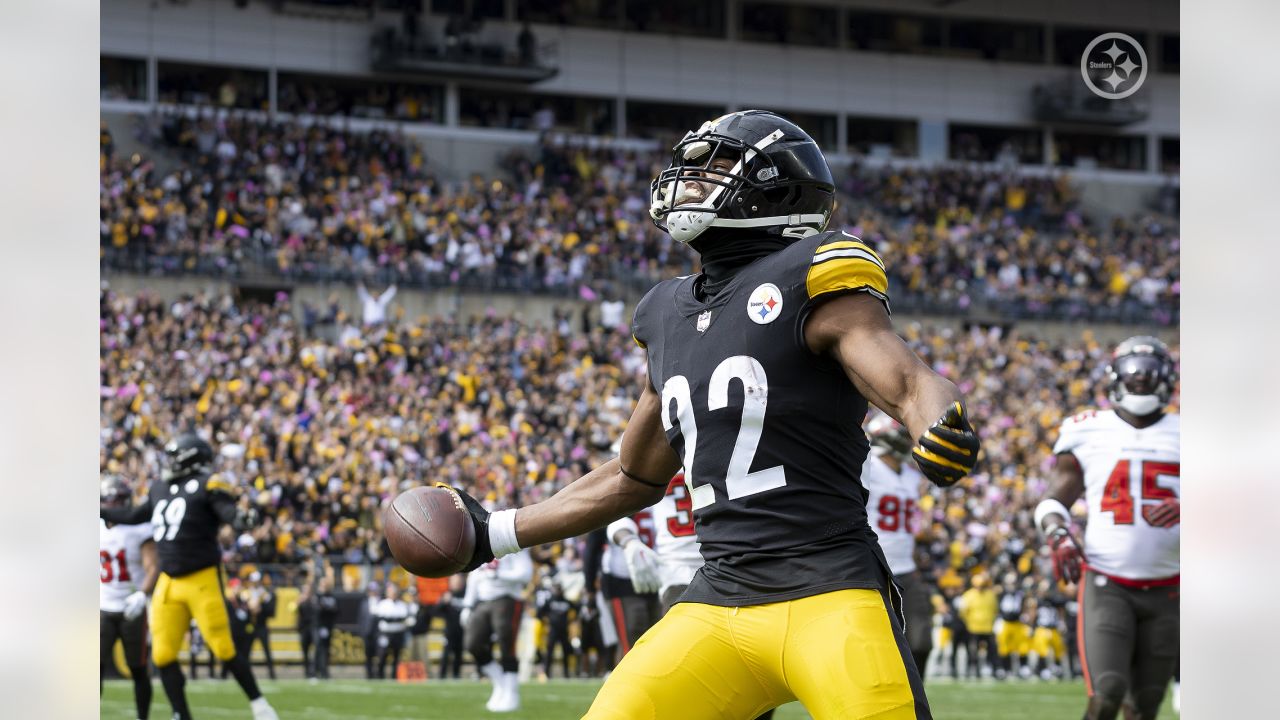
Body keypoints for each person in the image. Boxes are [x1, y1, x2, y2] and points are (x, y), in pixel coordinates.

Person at [434, 110, 979, 719]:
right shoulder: (665, 312)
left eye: (717, 165)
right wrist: (497, 532)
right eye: (692, 165)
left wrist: (937, 422)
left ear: (778, 188)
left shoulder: (816, 273)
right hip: (716, 599)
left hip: (829, 591)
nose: (692, 178)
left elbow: (910, 381)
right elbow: (631, 476)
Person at [1036, 336, 1180, 720]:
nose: (1141, 382)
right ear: (1116, 379)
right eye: (1135, 375)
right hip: (1108, 582)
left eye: (1150, 375)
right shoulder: (1088, 429)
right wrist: (1058, 532)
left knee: (1146, 702)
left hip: (1171, 586)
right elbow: (1054, 500)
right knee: (1107, 692)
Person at [100, 433, 279, 720]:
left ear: (187, 458)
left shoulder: (208, 484)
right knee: (163, 654)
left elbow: (228, 513)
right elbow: (135, 515)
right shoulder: (159, 488)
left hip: (202, 578)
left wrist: (243, 518)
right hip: (168, 582)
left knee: (223, 647)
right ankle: (180, 714)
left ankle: (259, 704)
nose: (168, 462)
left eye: (173, 456)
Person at [860, 412, 934, 682]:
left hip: (906, 568)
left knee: (920, 641)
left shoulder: (911, 477)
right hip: (873, 568)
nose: (907, 442)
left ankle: (914, 697)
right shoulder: (867, 467)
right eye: (902, 436)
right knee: (869, 646)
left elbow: (909, 528)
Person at [100, 474, 159, 720]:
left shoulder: (139, 528)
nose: (119, 506)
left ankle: (142, 717)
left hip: (131, 608)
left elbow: (153, 566)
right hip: (102, 607)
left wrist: (142, 595)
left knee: (138, 669)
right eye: (116, 500)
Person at [464, 549, 534, 712]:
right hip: (483, 600)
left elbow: (525, 573)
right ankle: (500, 681)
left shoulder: (513, 546)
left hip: (507, 597)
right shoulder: (482, 543)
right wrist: (468, 604)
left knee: (506, 643)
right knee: (473, 644)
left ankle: (511, 692)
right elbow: (474, 575)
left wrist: (500, 575)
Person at [958, 574, 998, 679]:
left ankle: (992, 669)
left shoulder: (990, 595)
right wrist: (969, 622)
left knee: (992, 650)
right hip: (973, 628)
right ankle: (974, 670)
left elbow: (995, 610)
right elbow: (963, 612)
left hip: (988, 627)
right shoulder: (968, 595)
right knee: (973, 651)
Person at [374, 583, 416, 679]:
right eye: (391, 592)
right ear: (387, 593)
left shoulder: (402, 605)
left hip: (398, 633)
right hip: (386, 634)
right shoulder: (382, 604)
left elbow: (405, 618)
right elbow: (380, 618)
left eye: (395, 592)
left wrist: (393, 620)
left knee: (397, 656)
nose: (393, 594)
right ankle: (380, 676)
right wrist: (395, 620)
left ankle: (394, 676)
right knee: (382, 655)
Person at [994, 572, 1030, 680]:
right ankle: (1005, 669)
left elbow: (1025, 605)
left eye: (1013, 582)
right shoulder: (1001, 593)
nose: (1011, 585)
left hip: (1018, 623)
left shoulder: (1021, 593)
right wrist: (997, 619)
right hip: (1005, 622)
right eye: (1009, 583)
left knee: (1022, 646)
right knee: (1004, 647)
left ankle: (1023, 668)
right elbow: (996, 606)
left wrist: (1025, 615)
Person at [244, 572, 277, 680]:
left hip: (262, 625)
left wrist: (260, 608)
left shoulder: (264, 594)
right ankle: (245, 674)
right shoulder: (247, 593)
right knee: (246, 651)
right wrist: (250, 608)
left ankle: (272, 674)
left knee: (267, 651)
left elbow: (271, 611)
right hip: (250, 625)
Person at [438, 575, 466, 680]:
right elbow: (437, 611)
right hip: (449, 631)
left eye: (459, 580)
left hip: (462, 630)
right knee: (446, 654)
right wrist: (443, 602)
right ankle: (442, 676)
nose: (457, 583)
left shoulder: (467, 594)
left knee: (458, 654)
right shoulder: (447, 594)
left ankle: (456, 675)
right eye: (455, 581)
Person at [314, 576, 339, 680]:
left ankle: (325, 672)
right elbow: (318, 610)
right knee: (319, 649)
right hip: (318, 626)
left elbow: (336, 610)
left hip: (328, 626)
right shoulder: (317, 595)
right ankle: (316, 672)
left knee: (326, 650)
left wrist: (327, 608)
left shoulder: (331, 596)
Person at [356, 581, 382, 679]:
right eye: (371, 590)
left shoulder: (381, 602)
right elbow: (361, 619)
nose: (373, 592)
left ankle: (379, 674)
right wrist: (362, 632)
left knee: (379, 655)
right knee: (368, 655)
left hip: (378, 633)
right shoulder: (364, 603)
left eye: (374, 590)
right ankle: (369, 674)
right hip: (367, 633)